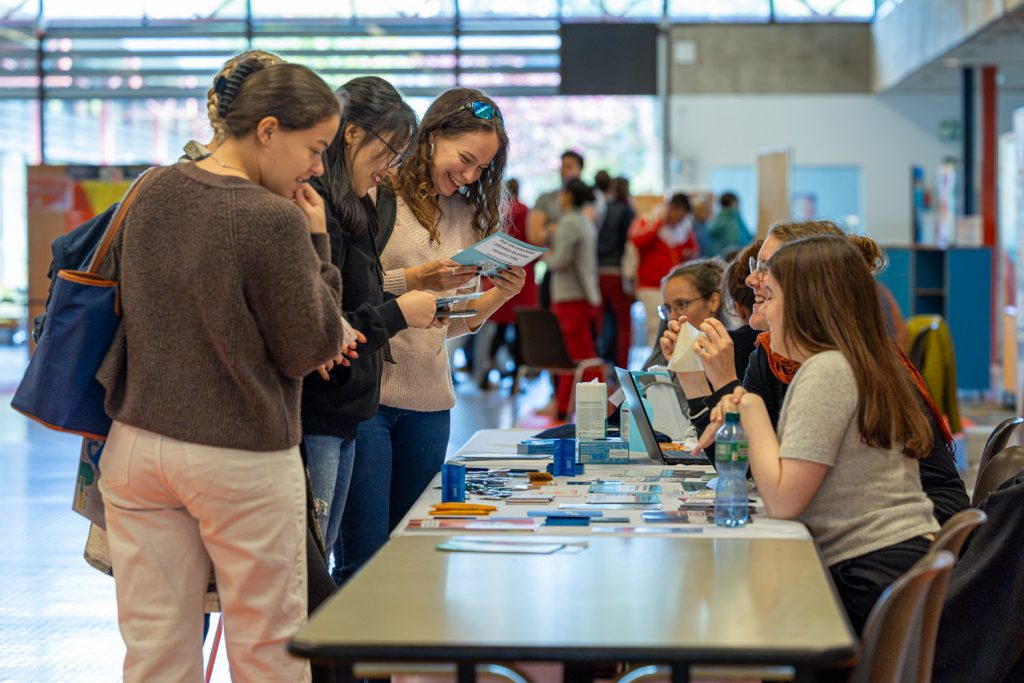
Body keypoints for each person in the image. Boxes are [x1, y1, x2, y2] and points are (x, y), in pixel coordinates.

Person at [95, 59, 345, 682]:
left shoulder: (152, 187)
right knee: (269, 648)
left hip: (138, 445)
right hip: (239, 457)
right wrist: (318, 242)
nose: (317, 168)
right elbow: (310, 347)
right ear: (266, 130)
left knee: (155, 648)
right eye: (314, 149)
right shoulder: (272, 218)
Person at [705, 235, 939, 634]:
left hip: (868, 577)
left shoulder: (827, 372)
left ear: (805, 308)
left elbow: (782, 502)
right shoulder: (851, 362)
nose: (762, 310)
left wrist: (752, 408)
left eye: (772, 298)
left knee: (735, 616)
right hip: (888, 566)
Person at [667, 220, 969, 526]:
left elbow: (780, 495)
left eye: (768, 269)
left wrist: (734, 392)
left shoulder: (835, 370)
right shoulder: (776, 356)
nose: (750, 280)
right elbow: (744, 467)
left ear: (808, 286)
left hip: (892, 543)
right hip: (866, 541)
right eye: (757, 264)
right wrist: (694, 377)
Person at [341, 89, 525, 583]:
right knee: (363, 560)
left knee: (416, 558)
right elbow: (345, 291)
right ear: (433, 135)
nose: (469, 176)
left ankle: (404, 660)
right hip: (369, 399)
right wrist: (417, 278)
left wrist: (496, 299)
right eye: (465, 160)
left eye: (481, 169)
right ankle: (356, 661)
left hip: (430, 403)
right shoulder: (375, 194)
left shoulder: (465, 216)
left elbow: (446, 321)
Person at [301, 77, 437, 578]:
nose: (390, 168)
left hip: (347, 409)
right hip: (318, 409)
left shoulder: (355, 206)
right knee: (313, 571)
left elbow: (351, 306)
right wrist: (400, 311)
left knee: (325, 563)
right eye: (389, 151)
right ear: (352, 134)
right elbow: (325, 327)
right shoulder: (315, 209)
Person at [545, 177, 602, 418]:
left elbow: (560, 260)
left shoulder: (568, 223)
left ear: (568, 196)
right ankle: (575, 405)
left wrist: (543, 255)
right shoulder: (585, 221)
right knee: (581, 352)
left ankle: (568, 406)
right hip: (583, 295)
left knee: (574, 355)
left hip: (570, 296)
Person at [477, 177, 538, 389]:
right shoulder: (526, 211)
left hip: (500, 272)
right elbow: (531, 240)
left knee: (499, 329)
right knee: (521, 331)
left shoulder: (496, 211)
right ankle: (515, 380)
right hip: (521, 274)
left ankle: (487, 368)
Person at [630, 192, 699, 348]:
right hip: (651, 285)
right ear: (671, 209)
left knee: (673, 329)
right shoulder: (650, 220)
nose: (678, 220)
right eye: (677, 215)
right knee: (655, 329)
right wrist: (658, 224)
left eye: (682, 218)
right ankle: (653, 367)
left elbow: (693, 249)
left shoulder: (682, 228)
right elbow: (636, 241)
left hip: (674, 287)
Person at [597, 176, 636, 369]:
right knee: (624, 325)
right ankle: (622, 368)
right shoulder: (627, 212)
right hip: (618, 273)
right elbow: (629, 247)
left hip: (598, 272)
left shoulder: (602, 208)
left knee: (604, 323)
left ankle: (602, 365)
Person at [706, 191, 752, 256]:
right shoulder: (734, 217)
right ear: (733, 203)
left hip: (724, 257)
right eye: (737, 204)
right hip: (730, 256)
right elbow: (747, 237)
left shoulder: (719, 217)